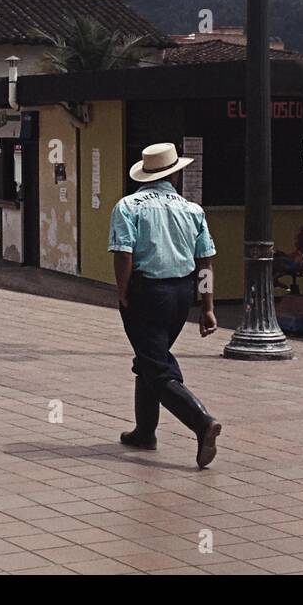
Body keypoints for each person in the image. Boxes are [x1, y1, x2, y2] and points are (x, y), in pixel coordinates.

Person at [108, 142, 221, 468]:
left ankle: (202, 422)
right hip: (182, 296)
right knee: (149, 358)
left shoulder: (129, 206)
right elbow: (205, 263)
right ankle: (145, 431)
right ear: (175, 173)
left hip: (147, 293)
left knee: (157, 367)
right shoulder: (193, 210)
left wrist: (123, 292)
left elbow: (123, 254)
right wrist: (208, 305)